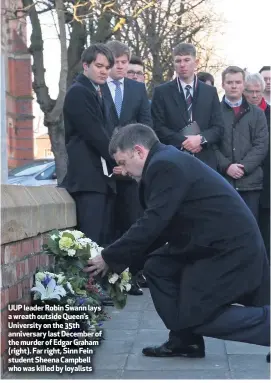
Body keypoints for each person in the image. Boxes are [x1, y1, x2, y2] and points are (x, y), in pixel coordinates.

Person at [86, 123, 270, 360]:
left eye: (122, 162)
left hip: (229, 250)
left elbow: (153, 222)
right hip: (207, 243)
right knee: (159, 267)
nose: (121, 170)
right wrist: (121, 261)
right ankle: (185, 340)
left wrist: (108, 257)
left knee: (197, 315)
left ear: (139, 151)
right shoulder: (165, 161)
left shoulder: (165, 165)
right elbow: (160, 228)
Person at [101, 40, 152, 295]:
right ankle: (108, 278)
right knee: (109, 225)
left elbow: (146, 127)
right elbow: (97, 128)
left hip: (132, 169)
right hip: (106, 169)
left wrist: (131, 163)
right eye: (116, 62)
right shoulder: (99, 88)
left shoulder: (137, 89)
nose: (120, 67)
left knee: (133, 222)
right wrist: (113, 164)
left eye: (124, 62)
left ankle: (129, 276)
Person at [62, 44, 116, 246]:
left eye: (107, 67)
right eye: (99, 66)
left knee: (100, 243)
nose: (104, 71)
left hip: (98, 180)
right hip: (87, 180)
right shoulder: (79, 92)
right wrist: (118, 159)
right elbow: (95, 134)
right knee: (89, 245)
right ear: (86, 66)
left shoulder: (95, 91)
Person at [151, 42, 224, 170]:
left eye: (187, 60)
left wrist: (200, 139)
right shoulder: (162, 92)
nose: (182, 65)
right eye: (178, 61)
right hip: (173, 158)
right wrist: (184, 141)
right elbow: (158, 126)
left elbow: (218, 127)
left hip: (205, 159)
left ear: (196, 62)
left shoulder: (210, 92)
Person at [215, 66, 269, 221]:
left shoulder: (257, 113)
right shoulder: (214, 111)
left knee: (249, 231)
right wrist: (227, 166)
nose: (233, 86)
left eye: (238, 82)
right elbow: (211, 144)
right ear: (223, 84)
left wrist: (243, 168)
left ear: (243, 84)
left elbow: (261, 145)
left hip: (250, 184)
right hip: (221, 181)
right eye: (229, 82)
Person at [244, 73, 270, 258]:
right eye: (250, 91)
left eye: (257, 92)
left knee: (265, 227)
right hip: (244, 178)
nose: (254, 96)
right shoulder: (238, 114)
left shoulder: (268, 113)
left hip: (267, 179)